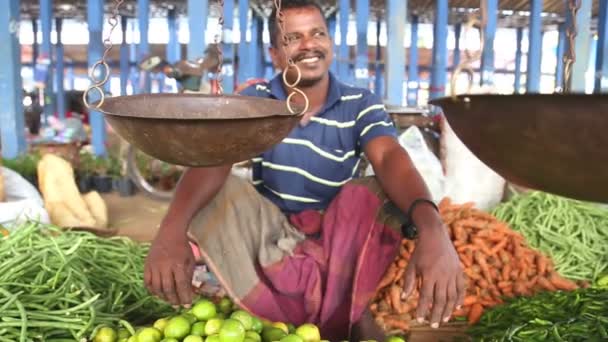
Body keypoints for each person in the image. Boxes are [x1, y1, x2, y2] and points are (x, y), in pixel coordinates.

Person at [144, 0, 464, 340]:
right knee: (220, 188)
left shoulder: (360, 103)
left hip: (339, 237)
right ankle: (319, 314)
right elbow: (215, 159)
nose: (309, 44)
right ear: (276, 54)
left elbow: (388, 158)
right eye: (292, 38)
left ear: (329, 42)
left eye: (317, 34)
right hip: (271, 238)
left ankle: (344, 310)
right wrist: (170, 231)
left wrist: (433, 228)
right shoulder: (259, 100)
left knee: (375, 191)